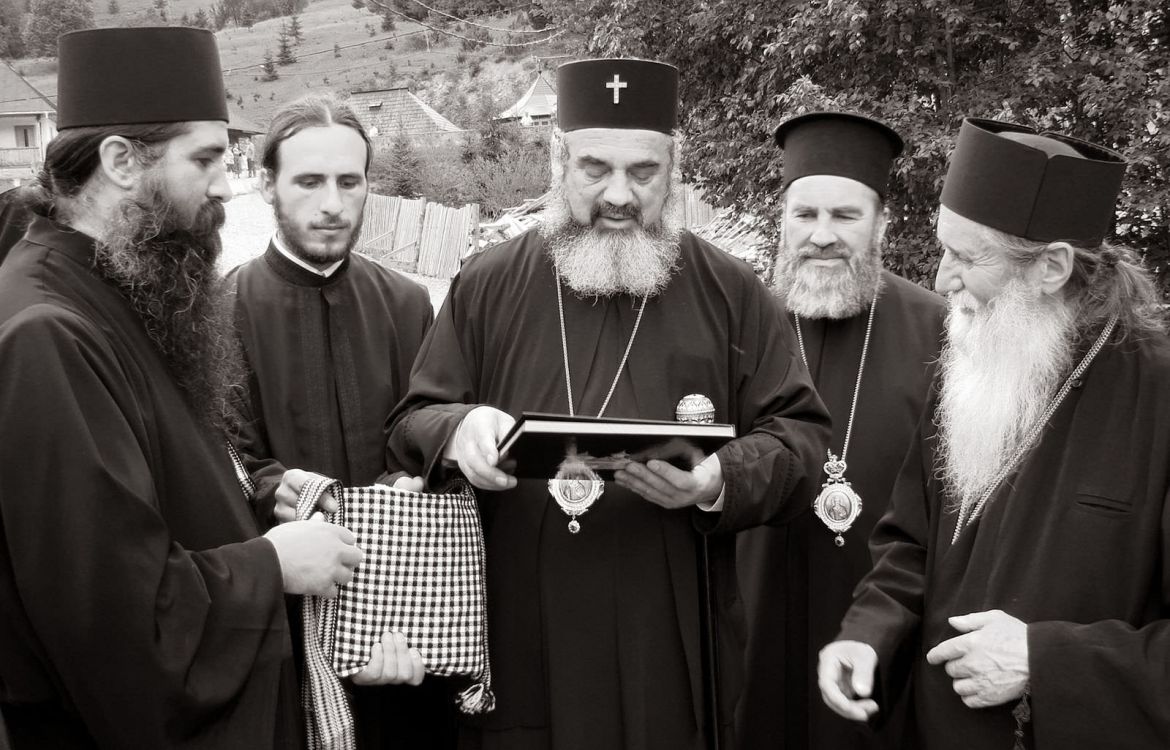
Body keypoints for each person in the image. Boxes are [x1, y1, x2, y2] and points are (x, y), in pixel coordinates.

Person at [386, 58, 831, 750]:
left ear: (673, 169)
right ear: (558, 161)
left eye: (643, 172)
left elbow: (800, 438)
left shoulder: (729, 291)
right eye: (595, 168)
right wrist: (459, 429)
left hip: (669, 631)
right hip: (521, 628)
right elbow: (412, 421)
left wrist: (720, 479)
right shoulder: (489, 283)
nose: (619, 195)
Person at [0, 27, 367, 748]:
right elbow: (112, 617)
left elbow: (164, 483)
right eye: (204, 159)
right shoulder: (47, 333)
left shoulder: (123, 285)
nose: (226, 184)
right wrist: (272, 565)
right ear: (120, 161)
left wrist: (259, 492)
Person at [818, 118, 1170, 748]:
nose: (940, 279)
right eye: (943, 249)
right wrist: (868, 633)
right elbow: (911, 541)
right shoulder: (974, 362)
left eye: (966, 256)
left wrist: (1046, 659)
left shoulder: (1158, 394)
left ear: (1052, 266)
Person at [227, 93, 447, 748]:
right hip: (279, 633)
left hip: (402, 626)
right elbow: (227, 458)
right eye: (309, 181)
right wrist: (275, 490)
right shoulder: (218, 310)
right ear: (267, 184)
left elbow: (426, 442)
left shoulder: (408, 304)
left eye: (349, 182)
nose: (332, 204)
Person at [736, 113, 945, 750]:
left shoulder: (941, 331)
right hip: (753, 618)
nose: (821, 235)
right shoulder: (741, 323)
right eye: (805, 214)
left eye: (845, 216)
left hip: (884, 631)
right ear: (783, 219)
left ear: (881, 223)